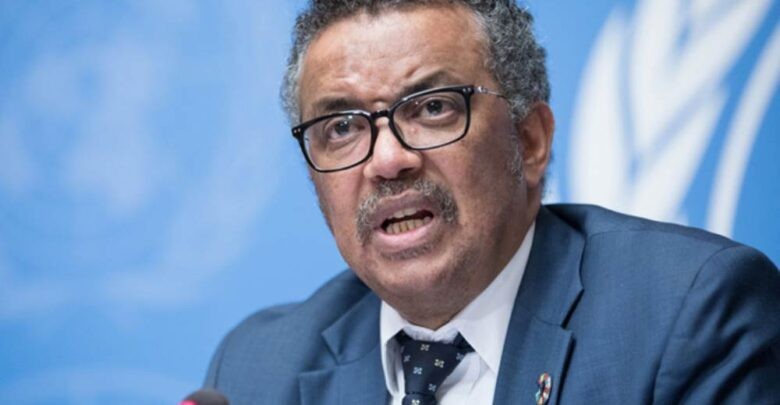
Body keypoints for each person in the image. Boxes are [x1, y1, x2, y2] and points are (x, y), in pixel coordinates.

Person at [203, 1, 780, 404]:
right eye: (342, 127)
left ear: (530, 141)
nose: (387, 160)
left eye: (433, 108)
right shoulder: (258, 369)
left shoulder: (688, 314)